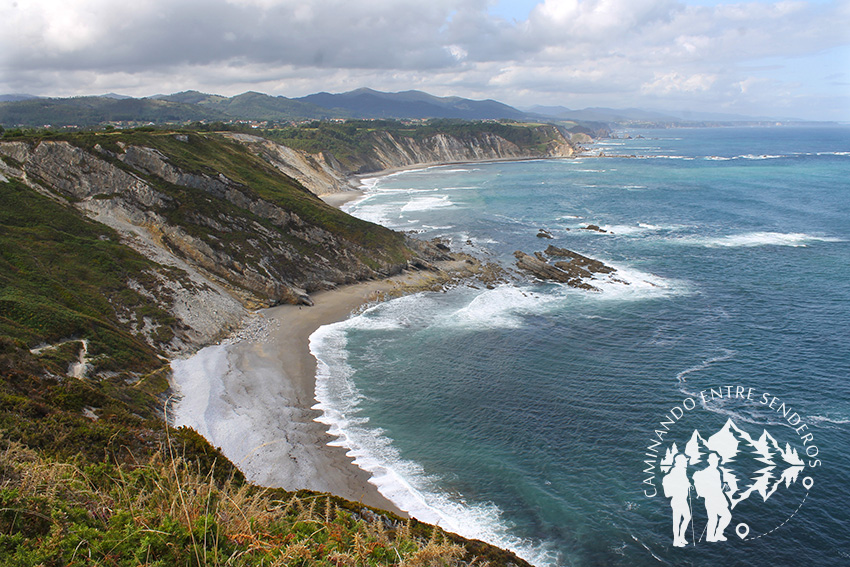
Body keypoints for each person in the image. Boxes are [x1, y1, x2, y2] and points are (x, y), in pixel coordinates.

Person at [692, 452, 732, 542]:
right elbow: (713, 487)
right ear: (709, 461)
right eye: (713, 460)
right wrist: (723, 486)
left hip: (714, 498)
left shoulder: (717, 471)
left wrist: (722, 486)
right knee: (723, 516)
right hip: (712, 499)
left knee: (715, 518)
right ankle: (715, 535)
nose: (715, 461)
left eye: (716, 459)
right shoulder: (710, 472)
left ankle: (713, 536)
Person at [662, 453, 692, 547]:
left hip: (683, 500)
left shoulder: (682, 471)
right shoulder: (676, 472)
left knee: (687, 518)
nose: (686, 463)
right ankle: (676, 540)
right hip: (678, 500)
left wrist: (688, 485)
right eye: (685, 461)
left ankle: (681, 537)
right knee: (677, 520)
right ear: (680, 462)